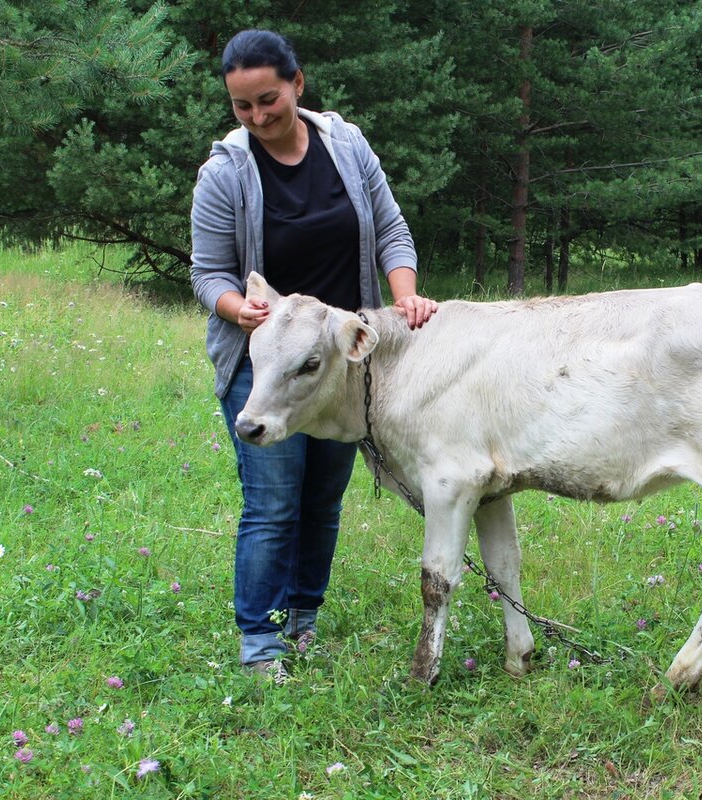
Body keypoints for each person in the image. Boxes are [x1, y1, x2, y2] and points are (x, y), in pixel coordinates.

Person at [190, 29, 438, 670]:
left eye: (268, 98)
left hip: (337, 359)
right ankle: (260, 637)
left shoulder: (346, 145)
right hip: (265, 357)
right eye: (242, 106)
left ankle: (302, 616)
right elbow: (208, 273)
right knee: (273, 500)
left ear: (297, 83)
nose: (258, 116)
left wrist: (404, 296)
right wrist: (237, 309)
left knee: (324, 497)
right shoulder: (225, 173)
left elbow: (390, 228)